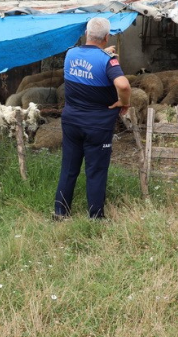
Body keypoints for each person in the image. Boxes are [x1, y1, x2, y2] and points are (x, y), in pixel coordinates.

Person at [54, 17, 131, 220]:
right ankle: (96, 217)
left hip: (71, 122)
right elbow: (123, 85)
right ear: (107, 37)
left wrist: (102, 56)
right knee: (95, 171)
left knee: (69, 168)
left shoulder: (70, 54)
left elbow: (87, 62)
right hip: (97, 125)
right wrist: (124, 102)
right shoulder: (109, 61)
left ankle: (60, 212)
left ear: (87, 34)